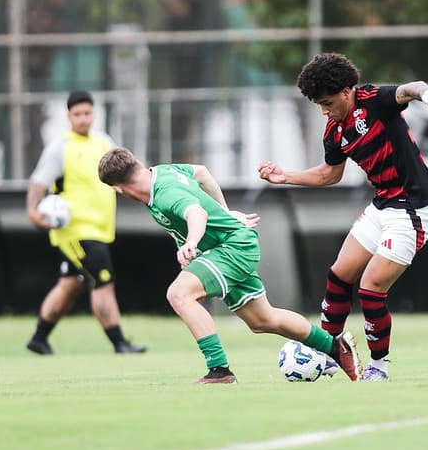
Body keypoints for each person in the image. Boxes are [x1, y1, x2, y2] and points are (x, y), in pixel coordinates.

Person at [257, 52, 428, 382]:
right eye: (318, 104)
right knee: (339, 276)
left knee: (371, 288)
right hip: (384, 205)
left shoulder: (373, 100)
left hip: (414, 208)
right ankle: (329, 352)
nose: (324, 110)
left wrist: (426, 94)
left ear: (347, 91)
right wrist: (284, 176)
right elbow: (328, 175)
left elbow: (409, 88)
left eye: (327, 101)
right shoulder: (334, 131)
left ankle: (379, 366)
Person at [98, 147, 362, 384]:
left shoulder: (164, 193)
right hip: (230, 243)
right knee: (262, 320)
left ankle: (219, 370)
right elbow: (202, 173)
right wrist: (226, 214)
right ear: (138, 165)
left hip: (231, 247)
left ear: (117, 189)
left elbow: (196, 213)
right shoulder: (163, 172)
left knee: (179, 294)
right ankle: (335, 347)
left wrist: (191, 242)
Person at [25, 91, 146, 355]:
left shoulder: (103, 142)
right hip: (75, 230)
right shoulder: (60, 148)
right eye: (77, 114)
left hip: (100, 227)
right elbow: (38, 183)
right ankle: (119, 343)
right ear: (69, 116)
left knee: (71, 283)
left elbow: (127, 169)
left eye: (87, 113)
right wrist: (33, 212)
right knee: (104, 281)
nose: (83, 119)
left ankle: (38, 338)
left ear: (94, 113)